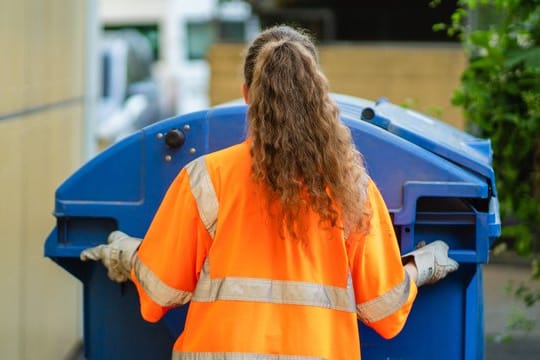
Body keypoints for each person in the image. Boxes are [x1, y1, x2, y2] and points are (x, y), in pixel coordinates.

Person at [81, 25, 458, 360]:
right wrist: (423, 265)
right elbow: (385, 311)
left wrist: (125, 254)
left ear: (247, 94)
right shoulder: (350, 188)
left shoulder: (206, 178)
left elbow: (160, 292)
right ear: (317, 95)